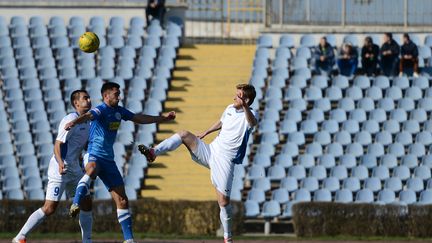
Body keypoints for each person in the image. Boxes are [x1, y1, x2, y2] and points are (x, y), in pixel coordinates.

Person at [138, 84, 257, 243]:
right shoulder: (229, 107)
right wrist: (207, 132)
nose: (234, 97)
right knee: (184, 134)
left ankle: (227, 237)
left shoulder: (251, 114)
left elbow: (252, 123)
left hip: (226, 161)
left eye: (238, 96)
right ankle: (154, 152)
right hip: (211, 151)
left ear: (246, 100)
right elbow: (222, 121)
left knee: (223, 202)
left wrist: (245, 107)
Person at [64, 82, 175, 243]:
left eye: (119, 93)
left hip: (109, 160)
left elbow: (139, 118)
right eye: (116, 94)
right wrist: (75, 122)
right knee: (92, 169)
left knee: (122, 200)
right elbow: (89, 115)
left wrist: (163, 118)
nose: (119, 96)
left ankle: (129, 240)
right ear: (106, 96)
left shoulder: (119, 111)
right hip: (94, 154)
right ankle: (75, 203)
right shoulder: (101, 109)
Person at [13, 90, 93, 243]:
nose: (89, 100)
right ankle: (19, 237)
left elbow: (82, 146)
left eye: (89, 97)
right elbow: (58, 145)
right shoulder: (70, 119)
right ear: (76, 103)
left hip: (75, 169)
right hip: (60, 168)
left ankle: (87, 241)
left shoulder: (89, 122)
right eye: (85, 98)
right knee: (49, 208)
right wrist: (61, 162)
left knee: (87, 204)